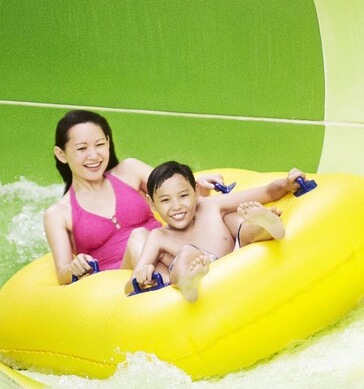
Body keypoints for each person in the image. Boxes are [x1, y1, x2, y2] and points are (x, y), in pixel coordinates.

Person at [43, 110, 223, 284]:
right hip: (123, 279)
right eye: (82, 148)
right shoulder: (59, 213)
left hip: (169, 249)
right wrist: (74, 267)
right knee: (138, 238)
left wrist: (199, 188)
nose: (94, 155)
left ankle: (193, 268)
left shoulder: (130, 171)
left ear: (108, 142)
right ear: (62, 154)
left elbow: (173, 190)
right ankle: (173, 281)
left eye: (99, 144)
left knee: (217, 213)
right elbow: (62, 273)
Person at [128, 161, 305, 302]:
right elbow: (129, 286)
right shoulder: (158, 237)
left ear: (196, 192)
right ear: (152, 204)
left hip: (235, 256)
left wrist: (286, 184)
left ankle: (266, 225)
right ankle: (187, 283)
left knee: (242, 225)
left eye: (183, 196)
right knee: (186, 253)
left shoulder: (210, 205)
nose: (176, 206)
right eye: (165, 200)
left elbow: (266, 192)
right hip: (195, 272)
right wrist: (141, 278)